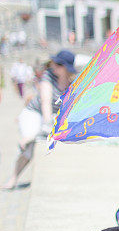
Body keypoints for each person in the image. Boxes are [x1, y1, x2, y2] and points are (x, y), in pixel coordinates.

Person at [3, 50, 76, 190]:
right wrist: (47, 123)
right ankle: (13, 178)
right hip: (34, 113)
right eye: (54, 63)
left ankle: (30, 138)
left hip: (53, 116)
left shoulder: (72, 83)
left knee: (34, 140)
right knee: (28, 151)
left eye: (59, 64)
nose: (54, 66)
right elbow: (45, 101)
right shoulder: (48, 76)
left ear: (66, 67)